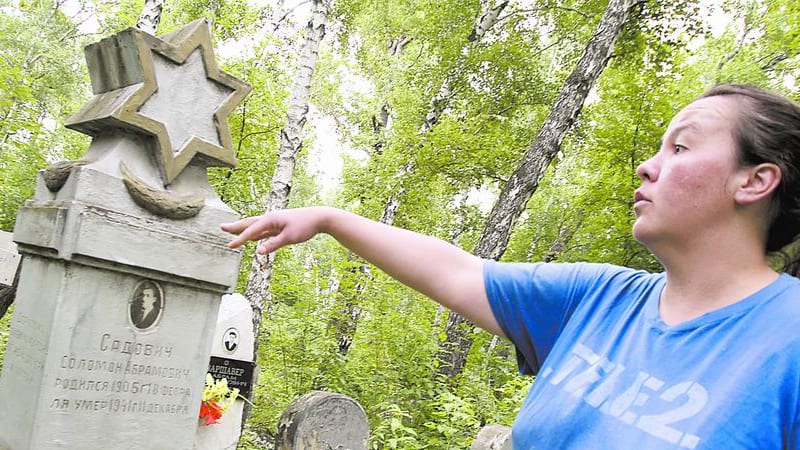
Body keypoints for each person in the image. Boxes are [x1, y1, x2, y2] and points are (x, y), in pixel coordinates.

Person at [222, 84, 800, 449]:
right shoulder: (599, 297)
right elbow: (456, 271)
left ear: (755, 181)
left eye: (680, 147)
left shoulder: (786, 339)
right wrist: (330, 219)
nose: (648, 166)